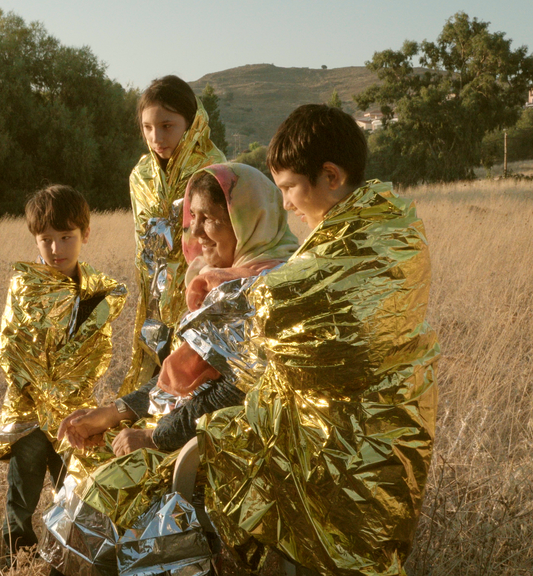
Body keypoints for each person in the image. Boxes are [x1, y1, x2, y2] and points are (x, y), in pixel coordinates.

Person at [195, 104, 438, 575]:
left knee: (345, 555)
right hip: (348, 436)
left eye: (288, 188)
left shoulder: (370, 239)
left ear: (330, 175)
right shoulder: (380, 225)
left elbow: (297, 314)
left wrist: (234, 300)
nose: (285, 204)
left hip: (367, 441)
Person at [40, 164, 298, 575]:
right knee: (81, 472)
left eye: (211, 219)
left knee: (101, 500)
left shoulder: (263, 288)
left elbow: (233, 394)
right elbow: (177, 380)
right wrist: (115, 411)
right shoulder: (219, 280)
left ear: (250, 220)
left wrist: (153, 436)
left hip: (229, 453)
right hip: (189, 432)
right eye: (192, 218)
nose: (195, 233)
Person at [0, 185, 127, 563]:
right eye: (45, 239)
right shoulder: (24, 285)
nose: (56, 249)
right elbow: (11, 349)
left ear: (85, 234)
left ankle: (65, 558)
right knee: (22, 496)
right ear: (35, 240)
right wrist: (45, 397)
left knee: (75, 490)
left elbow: (97, 355)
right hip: (30, 415)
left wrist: (71, 406)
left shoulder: (100, 293)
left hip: (76, 415)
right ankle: (15, 561)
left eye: (66, 237)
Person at [122, 75, 227, 397]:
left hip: (201, 298)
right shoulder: (140, 176)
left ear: (191, 123)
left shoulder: (215, 169)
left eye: (167, 125)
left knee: (192, 390)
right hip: (154, 302)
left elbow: (224, 242)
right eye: (148, 127)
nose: (157, 137)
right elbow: (144, 247)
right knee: (151, 390)